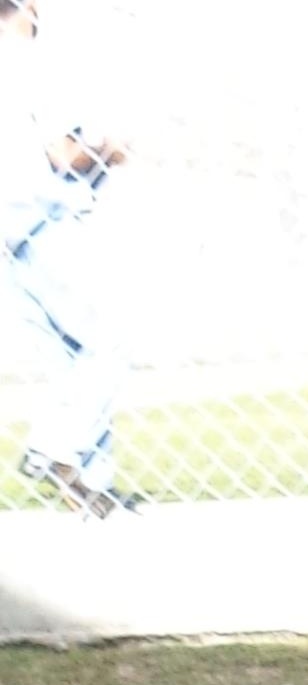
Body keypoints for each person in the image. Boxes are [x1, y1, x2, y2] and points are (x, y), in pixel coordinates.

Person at [2, 0, 131, 516]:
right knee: (107, 342)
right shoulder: (34, 66)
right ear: (30, 9)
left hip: (6, 237)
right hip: (45, 221)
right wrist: (110, 150)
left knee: (66, 362)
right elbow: (63, 153)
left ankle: (90, 490)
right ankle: (52, 448)